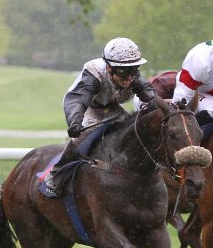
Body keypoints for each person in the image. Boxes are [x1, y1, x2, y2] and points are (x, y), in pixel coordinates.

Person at [44, 37, 156, 196]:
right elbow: (79, 100)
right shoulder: (94, 73)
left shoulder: (131, 75)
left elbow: (150, 95)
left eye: (134, 69)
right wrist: (75, 121)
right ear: (109, 68)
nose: (130, 77)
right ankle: (57, 173)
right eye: (125, 71)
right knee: (83, 135)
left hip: (112, 107)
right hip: (88, 106)